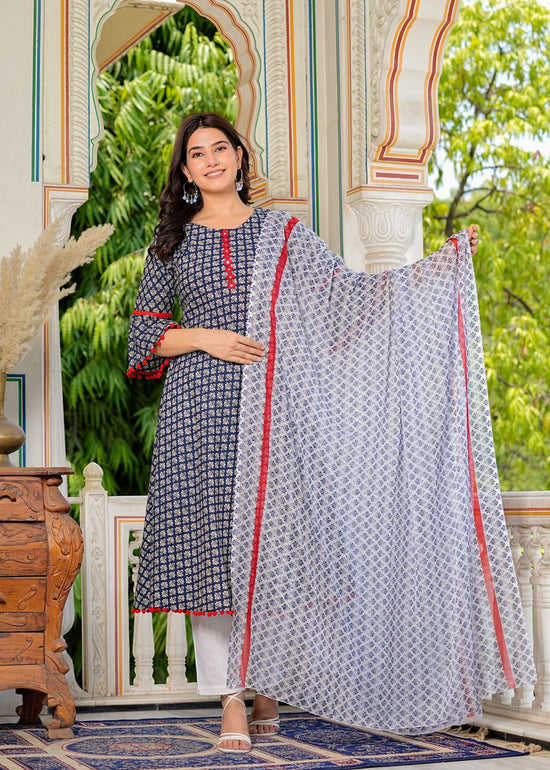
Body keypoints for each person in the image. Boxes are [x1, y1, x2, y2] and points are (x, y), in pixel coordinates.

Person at [127, 111, 481, 751]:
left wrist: (435, 270)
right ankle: (231, 698)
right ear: (185, 171)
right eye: (196, 154)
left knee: (281, 551)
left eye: (220, 148)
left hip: (276, 411)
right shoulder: (170, 242)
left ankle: (265, 679)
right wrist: (206, 337)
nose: (210, 160)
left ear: (239, 156)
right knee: (210, 553)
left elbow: (350, 297)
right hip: (197, 410)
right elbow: (144, 336)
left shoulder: (281, 234)